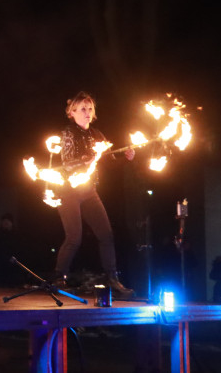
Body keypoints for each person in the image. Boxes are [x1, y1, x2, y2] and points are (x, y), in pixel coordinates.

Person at [50, 91, 134, 296]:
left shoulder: (98, 136)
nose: (87, 112)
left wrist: (126, 158)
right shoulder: (68, 133)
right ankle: (58, 278)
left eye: (90, 109)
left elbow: (109, 163)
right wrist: (85, 159)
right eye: (82, 109)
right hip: (68, 190)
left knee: (106, 235)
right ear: (72, 112)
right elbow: (69, 161)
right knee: (74, 238)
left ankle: (113, 279)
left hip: (89, 191)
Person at [0, 213, 22, 288]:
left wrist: (16, 261)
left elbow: (22, 251)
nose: (6, 223)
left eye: (8, 221)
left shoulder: (18, 236)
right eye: (4, 221)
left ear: (11, 223)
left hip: (14, 271)